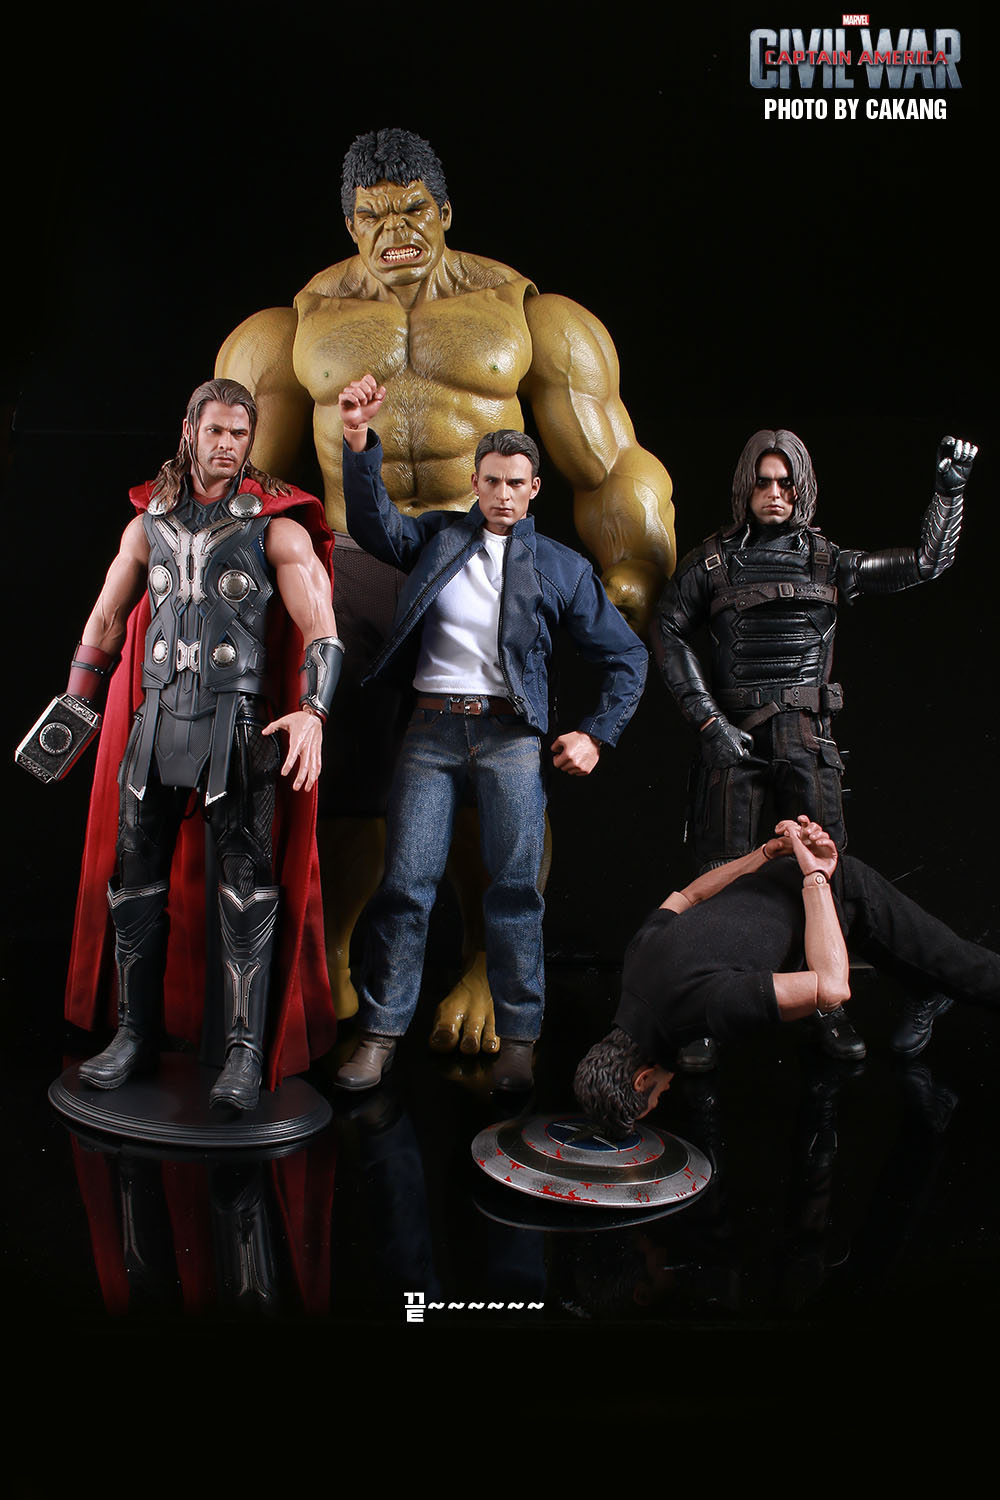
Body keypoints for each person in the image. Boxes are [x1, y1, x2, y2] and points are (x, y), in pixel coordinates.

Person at [215, 126, 674, 1054]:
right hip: (358, 558)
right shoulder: (293, 326)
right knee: (346, 771)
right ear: (350, 223)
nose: (396, 232)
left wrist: (632, 563)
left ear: (446, 211)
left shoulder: (530, 316)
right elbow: (234, 476)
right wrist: (222, 585)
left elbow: (610, 458)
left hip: (480, 555)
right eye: (373, 216)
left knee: (490, 765)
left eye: (414, 210)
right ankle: (334, 951)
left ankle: (486, 966)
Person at [20, 378, 341, 1112]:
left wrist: (315, 712)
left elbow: (321, 627)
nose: (227, 444)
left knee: (245, 889)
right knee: (135, 880)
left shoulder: (278, 527)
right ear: (190, 430)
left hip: (239, 727)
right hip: (157, 719)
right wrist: (76, 702)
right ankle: (134, 1034)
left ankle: (243, 1051)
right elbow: (107, 618)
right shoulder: (149, 523)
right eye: (216, 430)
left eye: (239, 433)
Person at [333, 374, 649, 1092]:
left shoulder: (561, 567)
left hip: (510, 739)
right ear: (474, 484)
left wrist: (596, 734)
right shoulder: (439, 538)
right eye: (492, 481)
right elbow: (376, 526)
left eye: (516, 483)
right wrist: (357, 439)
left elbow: (627, 656)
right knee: (405, 886)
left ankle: (519, 1038)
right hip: (430, 733)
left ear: (534, 488)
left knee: (514, 892)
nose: (503, 494)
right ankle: (379, 1036)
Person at [654, 428, 977, 1067]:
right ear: (745, 486)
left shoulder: (829, 562)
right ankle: (706, 1008)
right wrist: (708, 722)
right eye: (763, 481)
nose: (774, 493)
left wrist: (950, 492)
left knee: (821, 877)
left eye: (786, 482)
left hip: (805, 738)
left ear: (802, 487)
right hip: (734, 739)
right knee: (720, 871)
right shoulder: (710, 563)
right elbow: (667, 629)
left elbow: (924, 563)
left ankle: (830, 1005)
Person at [573, 817, 1000, 1139]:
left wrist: (815, 875)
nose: (663, 1095)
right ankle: (924, 986)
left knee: (965, 970)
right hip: (787, 889)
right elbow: (690, 894)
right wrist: (764, 856)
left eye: (653, 1100)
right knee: (917, 958)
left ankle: (931, 985)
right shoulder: (635, 962)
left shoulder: (708, 1005)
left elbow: (833, 988)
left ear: (641, 1078)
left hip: (839, 892)